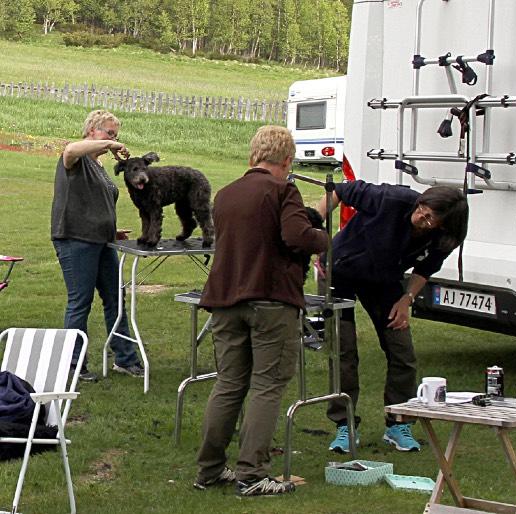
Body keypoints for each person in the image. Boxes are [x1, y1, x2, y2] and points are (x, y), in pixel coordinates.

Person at [193, 126, 327, 497]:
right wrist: (323, 240)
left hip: (225, 299)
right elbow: (296, 236)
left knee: (229, 383)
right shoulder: (283, 189)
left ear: (253, 156)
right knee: (267, 385)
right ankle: (252, 473)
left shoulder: (227, 193)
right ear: (287, 161)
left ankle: (209, 469)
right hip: (270, 299)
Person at [316, 181, 468, 453]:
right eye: (423, 208)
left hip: (385, 281)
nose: (422, 216)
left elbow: (425, 269)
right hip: (340, 271)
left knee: (402, 352)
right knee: (343, 352)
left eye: (431, 218)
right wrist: (317, 236)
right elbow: (338, 190)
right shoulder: (391, 199)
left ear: (443, 226)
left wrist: (406, 300)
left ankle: (398, 423)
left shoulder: (445, 239)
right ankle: (344, 425)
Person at [51, 110, 143, 382]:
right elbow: (71, 148)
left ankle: (125, 359)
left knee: (116, 297)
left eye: (116, 135)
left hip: (102, 240)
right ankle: (73, 365)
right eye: (108, 133)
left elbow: (91, 203)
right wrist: (110, 145)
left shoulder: (100, 167)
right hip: (75, 240)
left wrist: (111, 230)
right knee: (80, 302)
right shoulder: (75, 158)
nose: (114, 139)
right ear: (92, 130)